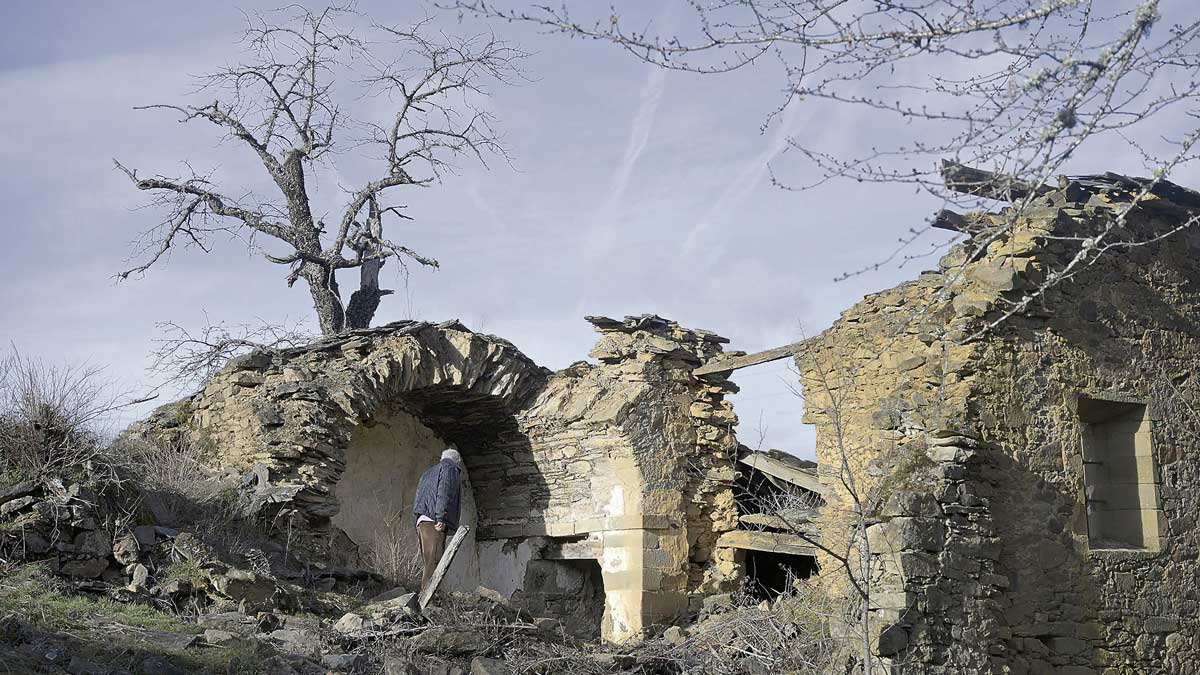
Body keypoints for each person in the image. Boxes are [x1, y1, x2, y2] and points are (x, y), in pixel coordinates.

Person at [412, 447, 464, 593]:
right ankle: (428, 598)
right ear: (457, 461)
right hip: (434, 520)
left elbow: (418, 497)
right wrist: (441, 518)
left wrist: (415, 521)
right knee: (435, 561)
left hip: (422, 519)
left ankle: (426, 596)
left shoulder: (428, 472)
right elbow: (444, 492)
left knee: (428, 561)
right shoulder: (450, 470)